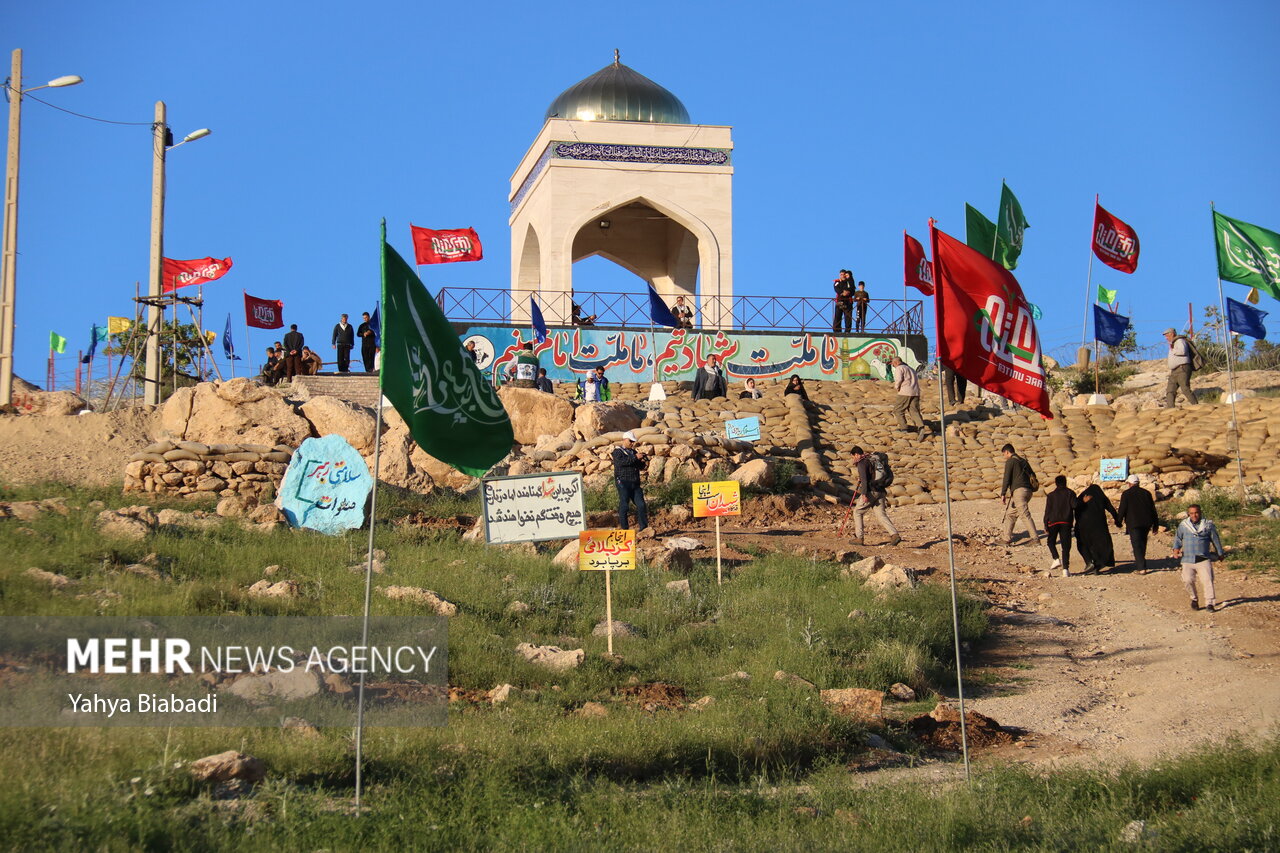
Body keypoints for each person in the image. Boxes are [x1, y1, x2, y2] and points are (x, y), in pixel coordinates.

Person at [1173, 503, 1224, 612]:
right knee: (1187, 580)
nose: (1194, 515)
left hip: (1203, 558)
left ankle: (1209, 603)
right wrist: (1176, 549)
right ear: (1188, 514)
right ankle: (1194, 599)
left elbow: (1215, 539)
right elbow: (1178, 538)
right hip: (1188, 559)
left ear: (1200, 513)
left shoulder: (1208, 525)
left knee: (1207, 581)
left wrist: (1220, 553)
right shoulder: (1184, 525)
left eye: (1196, 513)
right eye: (1191, 513)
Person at [850, 446, 900, 546]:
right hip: (881, 491)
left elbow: (864, 480)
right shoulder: (872, 460)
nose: (853, 459)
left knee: (857, 512)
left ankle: (859, 538)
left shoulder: (862, 463)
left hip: (871, 491)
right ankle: (894, 535)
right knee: (881, 514)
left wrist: (864, 494)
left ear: (856, 455)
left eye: (852, 456)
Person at [1116, 474, 1159, 572]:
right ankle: (1141, 562)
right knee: (1142, 543)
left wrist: (1119, 521)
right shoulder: (1146, 493)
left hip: (1133, 523)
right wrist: (1155, 525)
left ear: (1129, 483)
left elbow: (1122, 509)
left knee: (1136, 544)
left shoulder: (1126, 494)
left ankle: (1141, 568)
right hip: (1146, 523)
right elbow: (1152, 509)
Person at [999, 443, 1041, 545]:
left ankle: (1035, 538)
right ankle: (1006, 539)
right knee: (1010, 514)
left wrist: (1003, 493)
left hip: (1019, 492)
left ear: (1007, 452)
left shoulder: (1011, 461)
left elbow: (1006, 478)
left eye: (1004, 454)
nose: (1004, 456)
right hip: (1028, 491)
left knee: (1024, 514)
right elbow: (1033, 475)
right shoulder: (1023, 461)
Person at [1075, 483, 1120, 573]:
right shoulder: (1100, 496)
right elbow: (1111, 508)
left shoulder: (1082, 496)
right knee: (1101, 544)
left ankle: (1089, 562)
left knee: (1084, 543)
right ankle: (1099, 563)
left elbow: (1076, 508)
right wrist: (1117, 520)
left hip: (1084, 525)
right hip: (1099, 524)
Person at [611, 431, 648, 531]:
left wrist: (643, 461)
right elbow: (622, 462)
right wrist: (635, 457)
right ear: (624, 440)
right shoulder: (617, 452)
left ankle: (644, 528)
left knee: (641, 505)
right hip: (623, 482)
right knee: (624, 505)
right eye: (630, 441)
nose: (632, 443)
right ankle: (624, 529)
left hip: (635, 483)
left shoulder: (633, 452)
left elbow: (639, 466)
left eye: (633, 441)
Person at [1043, 475, 1076, 576]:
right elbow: (1075, 505)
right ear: (1065, 482)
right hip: (1066, 522)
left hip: (1053, 522)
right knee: (1066, 546)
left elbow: (1047, 511)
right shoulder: (1070, 493)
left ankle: (1056, 558)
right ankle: (1065, 569)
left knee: (1050, 542)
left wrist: (1046, 524)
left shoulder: (1051, 495)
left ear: (1056, 483)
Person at [1163, 327, 1198, 407]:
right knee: (1170, 390)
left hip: (1182, 368)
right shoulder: (1173, 343)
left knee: (1185, 388)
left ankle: (1196, 405)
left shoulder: (1180, 341)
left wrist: (1173, 350)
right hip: (1174, 371)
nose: (1166, 338)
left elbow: (1182, 351)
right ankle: (1170, 408)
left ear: (1172, 334)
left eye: (1167, 335)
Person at [891, 356, 926, 435]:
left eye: (893, 364)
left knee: (898, 410)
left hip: (905, 392)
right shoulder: (911, 369)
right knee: (914, 410)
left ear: (896, 362)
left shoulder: (899, 368)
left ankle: (904, 428)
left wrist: (897, 387)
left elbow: (899, 379)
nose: (893, 366)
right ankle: (921, 426)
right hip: (915, 392)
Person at [832, 270, 854, 334]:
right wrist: (842, 292)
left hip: (848, 301)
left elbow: (853, 290)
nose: (842, 276)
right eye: (841, 274)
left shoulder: (849, 282)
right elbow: (836, 288)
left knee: (848, 317)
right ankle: (837, 330)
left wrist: (848, 293)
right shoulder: (837, 282)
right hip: (840, 301)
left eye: (844, 274)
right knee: (838, 315)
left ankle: (847, 331)